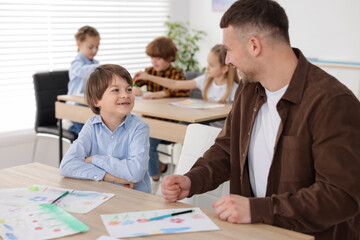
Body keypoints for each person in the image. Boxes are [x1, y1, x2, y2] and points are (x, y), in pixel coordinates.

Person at [161, 0, 360, 239]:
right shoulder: (249, 90)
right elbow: (227, 149)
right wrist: (191, 180)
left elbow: (341, 196)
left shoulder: (332, 102)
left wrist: (257, 209)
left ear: (254, 46)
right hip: (255, 231)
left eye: (229, 50)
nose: (227, 61)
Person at [60, 64, 151, 193]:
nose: (125, 95)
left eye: (129, 89)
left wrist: (93, 160)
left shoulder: (139, 128)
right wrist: (113, 178)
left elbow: (135, 172)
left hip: (134, 197)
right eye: (116, 90)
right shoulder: (91, 126)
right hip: (103, 193)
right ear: (97, 100)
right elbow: (66, 165)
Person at [134, 44, 240, 128]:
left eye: (211, 65)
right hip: (208, 126)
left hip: (226, 130)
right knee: (186, 128)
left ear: (225, 69)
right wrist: (148, 77)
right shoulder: (205, 80)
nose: (207, 68)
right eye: (207, 63)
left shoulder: (235, 90)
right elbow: (175, 84)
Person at [133, 36, 190, 181]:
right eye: (152, 58)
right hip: (149, 119)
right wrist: (134, 89)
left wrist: (161, 94)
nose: (154, 62)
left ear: (170, 57)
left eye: (158, 58)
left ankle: (155, 178)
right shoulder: (149, 71)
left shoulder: (176, 74)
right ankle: (160, 167)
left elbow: (183, 91)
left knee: (147, 144)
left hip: (168, 122)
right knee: (135, 142)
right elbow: (133, 83)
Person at [68, 25, 101, 134]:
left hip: (88, 106)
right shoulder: (75, 64)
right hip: (75, 107)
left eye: (97, 47)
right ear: (79, 44)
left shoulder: (95, 64)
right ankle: (72, 128)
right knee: (86, 133)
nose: (95, 50)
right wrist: (102, 68)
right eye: (91, 47)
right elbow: (84, 71)